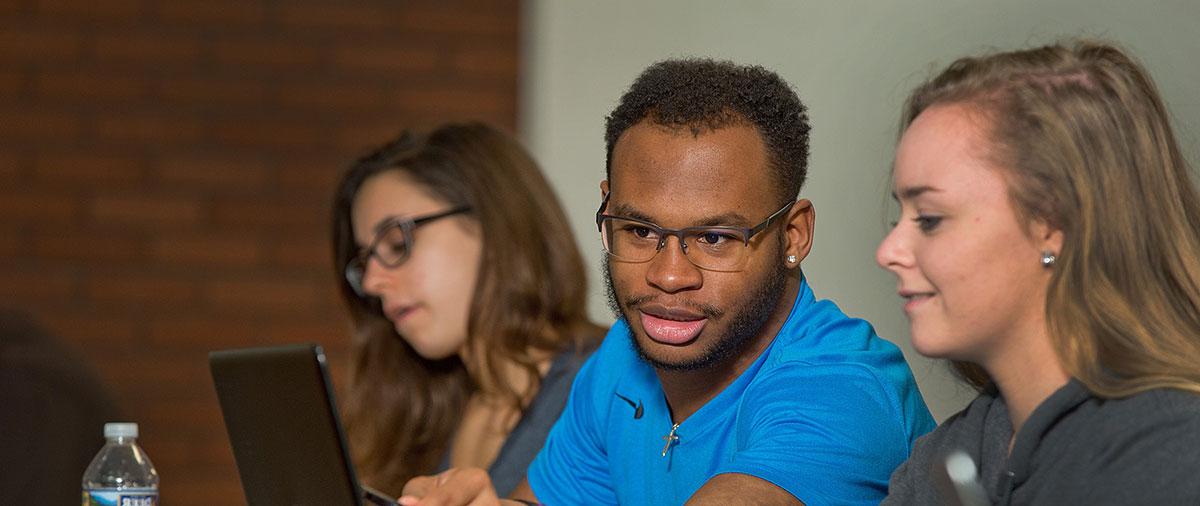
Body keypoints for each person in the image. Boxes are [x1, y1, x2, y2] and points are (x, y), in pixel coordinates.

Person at [402, 59, 935, 505]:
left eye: (715, 238)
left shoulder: (843, 388)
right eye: (639, 230)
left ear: (793, 235)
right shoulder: (621, 360)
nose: (668, 276)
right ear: (606, 205)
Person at [878, 40, 1200, 505]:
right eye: (899, 218)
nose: (888, 251)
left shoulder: (1173, 457)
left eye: (929, 218)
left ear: (1053, 226)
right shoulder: (951, 453)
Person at [330, 122, 605, 497]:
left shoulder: (608, 384)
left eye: (397, 243)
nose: (373, 283)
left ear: (496, 224)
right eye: (364, 263)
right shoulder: (426, 414)